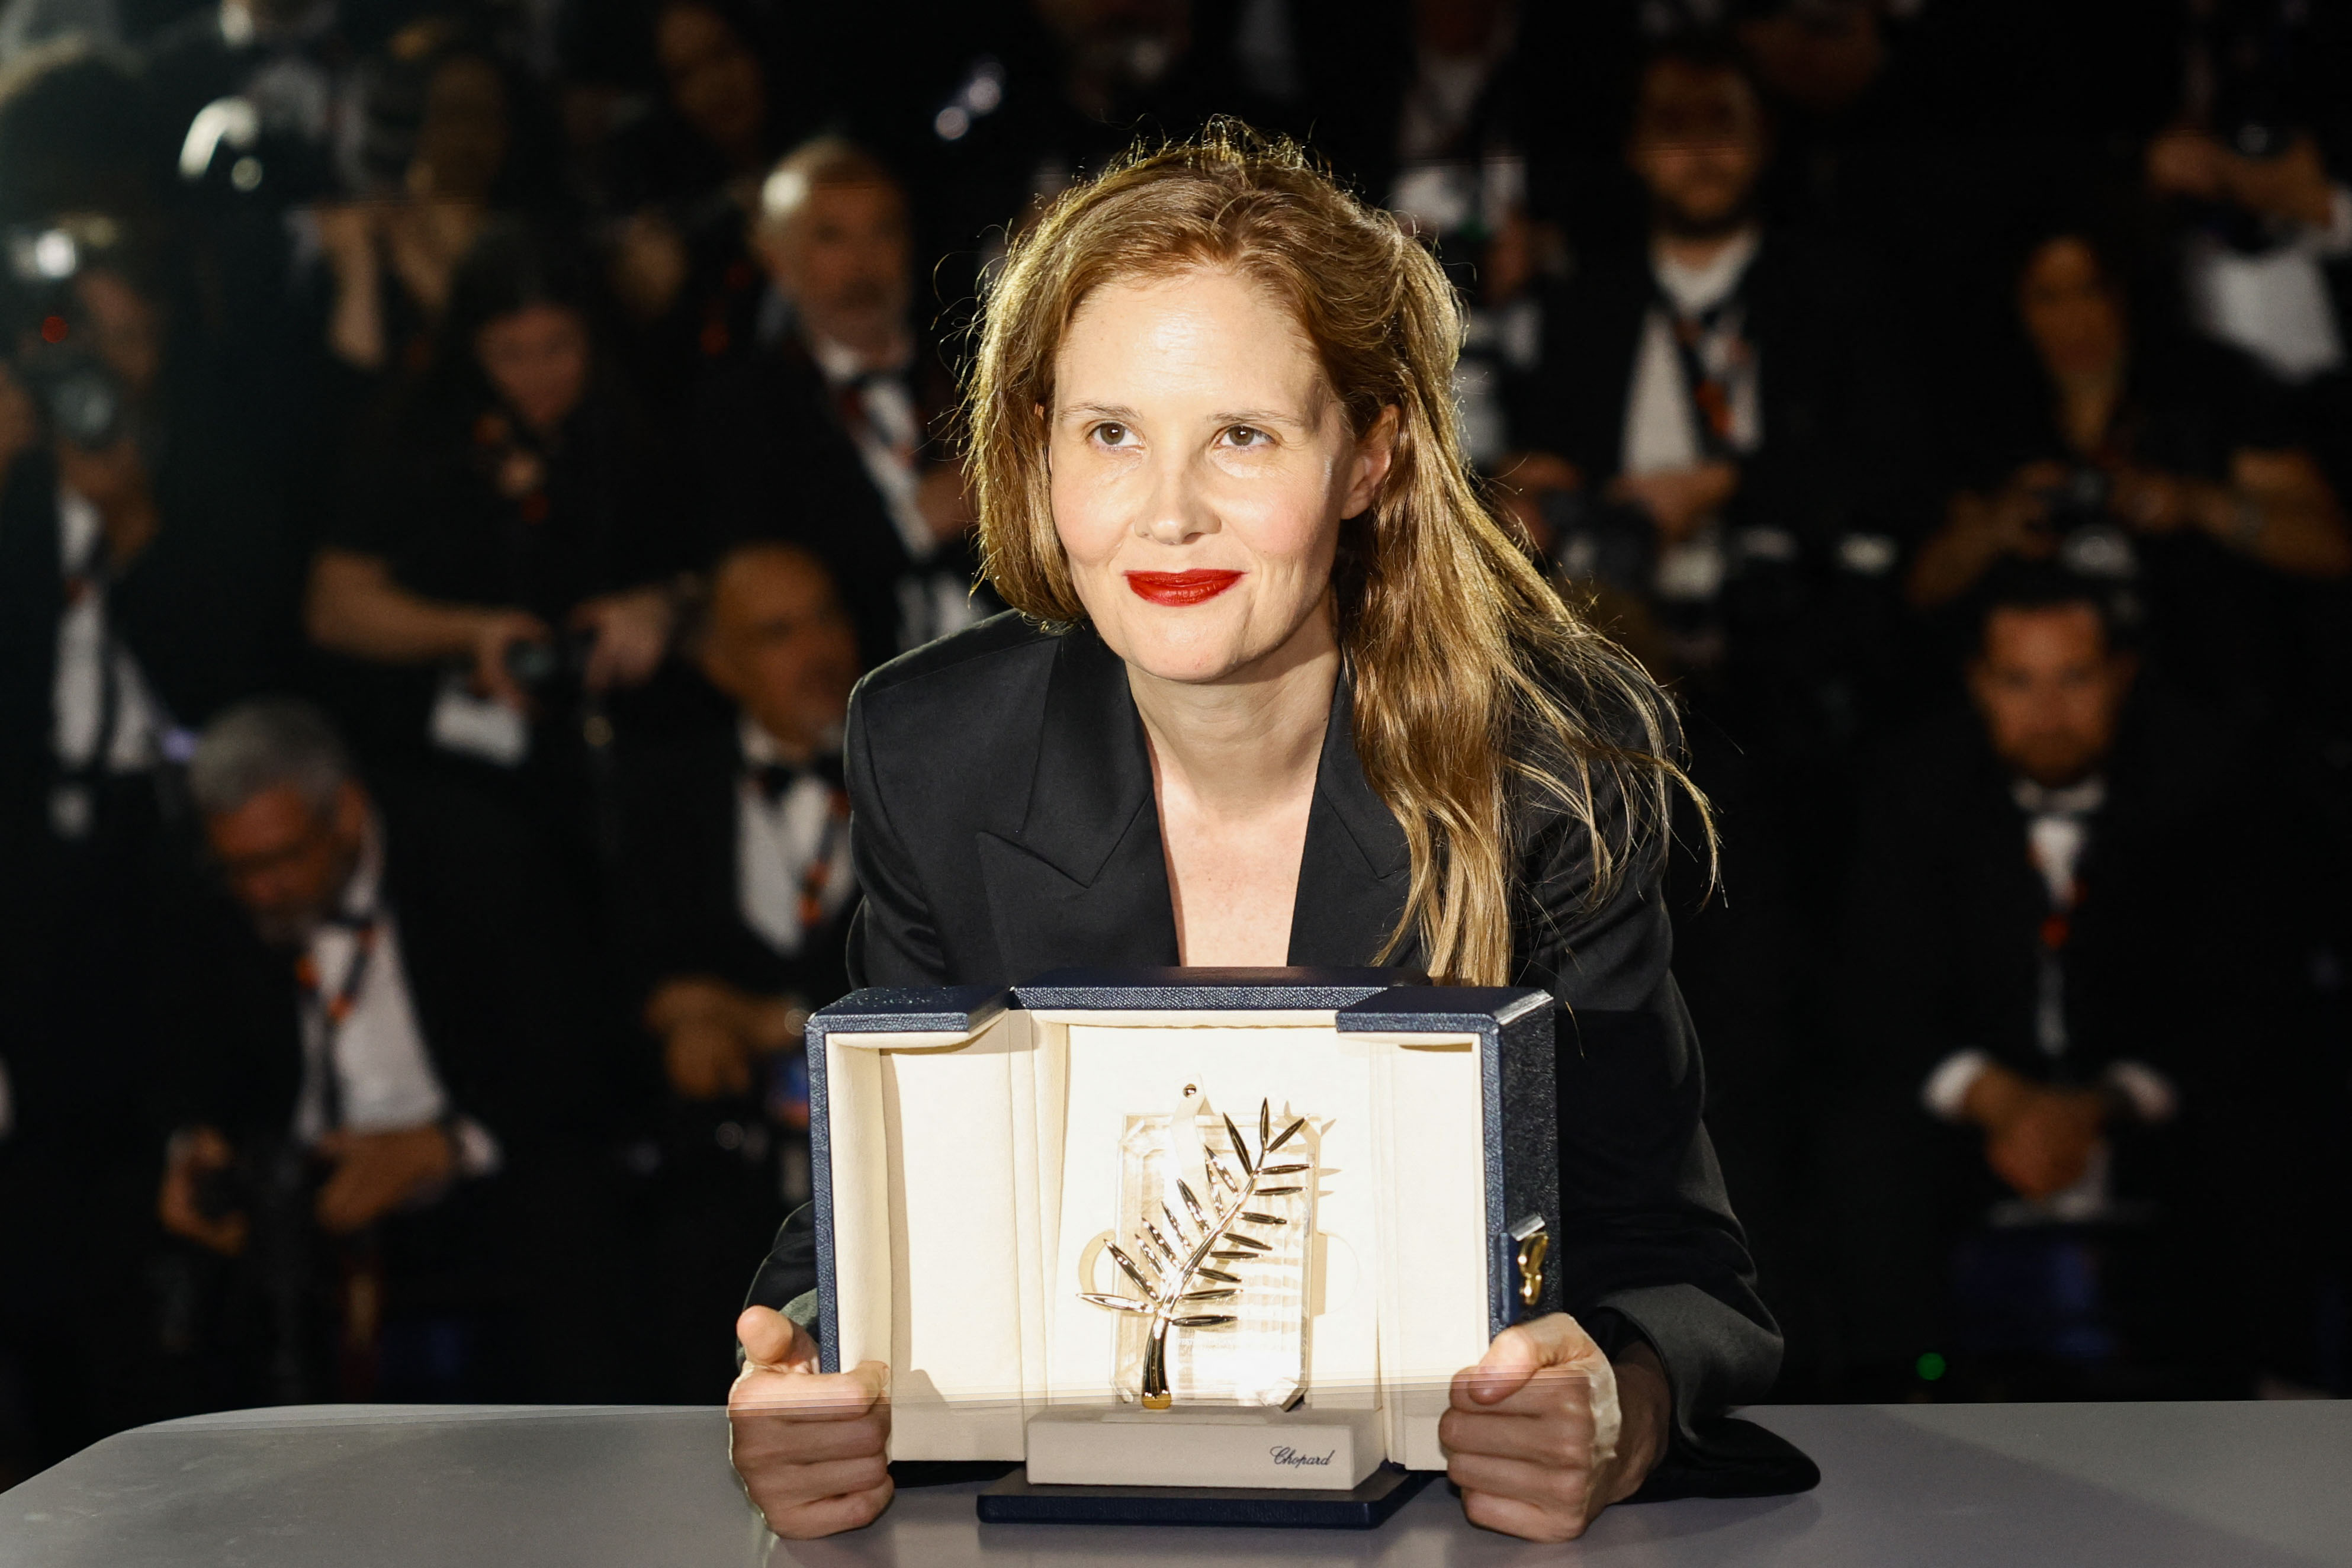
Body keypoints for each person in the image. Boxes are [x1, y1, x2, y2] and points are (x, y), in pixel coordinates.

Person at [727, 129, 1804, 1544]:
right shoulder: (934, 748)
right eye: (1110, 434)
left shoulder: (1545, 761)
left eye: (1242, 435)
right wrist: (811, 1375)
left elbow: (1678, 1267)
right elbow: (877, 1218)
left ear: (1369, 455)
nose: (1168, 512)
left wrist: (1615, 1414)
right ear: (1037, 449)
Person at [1831, 564, 2332, 1396]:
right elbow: (1876, 989)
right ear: (1979, 684)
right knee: (1863, 1144)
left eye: (2074, 678)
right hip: (1978, 1105)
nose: (2048, 710)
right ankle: (1890, 1394)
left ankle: (2265, 1388)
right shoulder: (1916, 785)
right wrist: (1998, 1100)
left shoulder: (2208, 780)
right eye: (2019, 681)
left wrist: (2104, 1103)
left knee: (2267, 1127)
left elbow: (2246, 992)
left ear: (2121, 677)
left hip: (2143, 1098)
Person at [1505, 37, 1921, 754]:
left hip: (1799, 645)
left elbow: (1896, 475)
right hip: (1617, 633)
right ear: (1636, 147)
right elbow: (1545, 462)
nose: (1700, 148)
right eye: (1673, 124)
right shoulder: (1587, 306)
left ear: (1764, 139)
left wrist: (1726, 487)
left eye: (1722, 121)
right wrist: (1532, 492)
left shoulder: (1834, 292)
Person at [154, 700, 522, 1404]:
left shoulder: (474, 854)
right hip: (303, 1217)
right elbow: (180, 1062)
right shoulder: (209, 897)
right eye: (238, 868)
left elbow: (569, 1061)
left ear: (347, 812)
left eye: (282, 859)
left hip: (478, 1190)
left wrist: (448, 1144)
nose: (261, 889)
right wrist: (191, 1146)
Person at [1908, 224, 2348, 727]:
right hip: (2047, 721)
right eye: (2048, 298)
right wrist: (1993, 529)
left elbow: (2330, 547)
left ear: (2124, 292)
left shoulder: (2215, 389)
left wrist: (2198, 505)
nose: (2076, 319)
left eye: (2091, 291)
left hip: (2218, 703)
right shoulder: (1984, 417)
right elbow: (1922, 588)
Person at [612, 541, 860, 1399]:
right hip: (722, 1167)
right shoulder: (663, 790)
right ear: (720, 664)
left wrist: (774, 1022)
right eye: (777, 633)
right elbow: (631, 965)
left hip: (877, 1143)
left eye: (826, 618)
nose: (816, 651)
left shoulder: (919, 774)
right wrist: (678, 1015)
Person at [695, 136, 992, 665]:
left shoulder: (980, 362)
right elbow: (762, 584)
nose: (863, 263)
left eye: (884, 231)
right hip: (863, 685)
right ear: (777, 259)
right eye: (830, 237)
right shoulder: (744, 411)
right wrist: (911, 525)